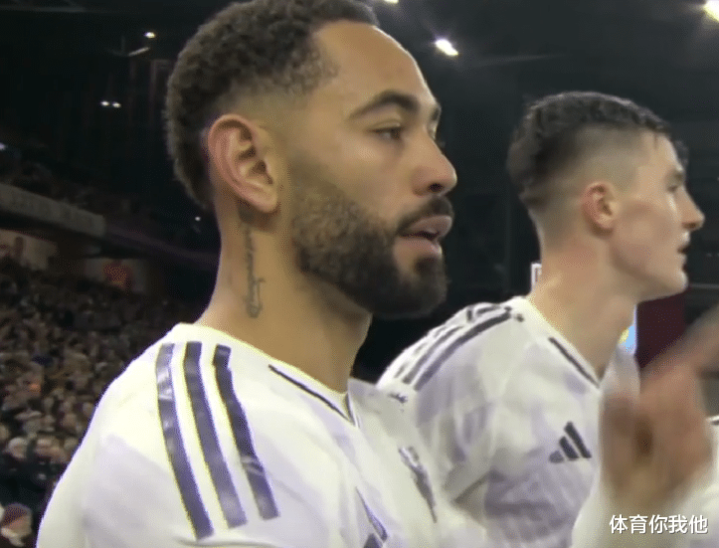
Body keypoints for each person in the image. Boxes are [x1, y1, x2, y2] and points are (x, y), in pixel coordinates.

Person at [38, 3, 715, 547]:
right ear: (253, 165)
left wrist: (635, 520)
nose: (442, 170)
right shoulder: (205, 458)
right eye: (389, 129)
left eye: (432, 133)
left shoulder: (380, 425)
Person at [378, 91, 710, 548]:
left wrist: (691, 518)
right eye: (672, 188)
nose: (694, 216)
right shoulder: (469, 368)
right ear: (603, 206)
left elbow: (622, 530)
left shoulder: (619, 373)